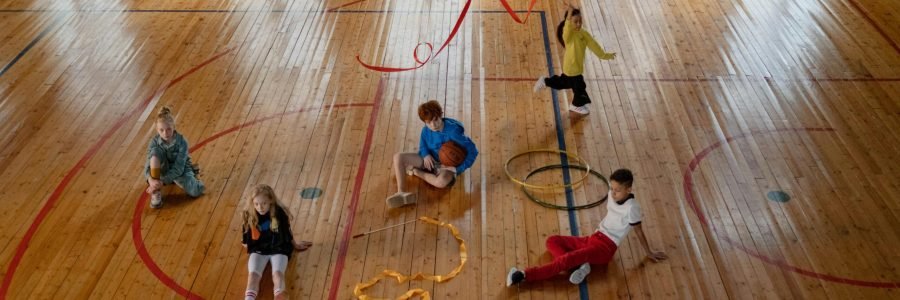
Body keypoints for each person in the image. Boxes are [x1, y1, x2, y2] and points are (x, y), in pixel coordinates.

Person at [506, 169, 667, 286]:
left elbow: (638, 230)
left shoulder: (632, 208)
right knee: (552, 241)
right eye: (611, 188)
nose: (612, 193)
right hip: (593, 238)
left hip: (605, 248)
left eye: (617, 190)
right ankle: (581, 266)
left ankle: (524, 275)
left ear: (629, 189)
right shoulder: (613, 196)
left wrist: (649, 252)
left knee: (566, 259)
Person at [386, 100, 478, 208]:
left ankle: (415, 171)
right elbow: (423, 146)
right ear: (425, 122)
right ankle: (401, 193)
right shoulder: (425, 130)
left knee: (441, 182)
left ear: (440, 115)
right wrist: (426, 155)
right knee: (398, 157)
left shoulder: (453, 131)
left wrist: (457, 169)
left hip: (446, 166)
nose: (433, 125)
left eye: (435, 120)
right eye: (428, 122)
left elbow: (473, 151)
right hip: (430, 161)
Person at [534, 2, 617, 115]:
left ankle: (545, 81)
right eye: (575, 22)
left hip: (577, 68)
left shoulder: (584, 34)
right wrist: (569, 15)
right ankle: (576, 105)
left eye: (580, 21)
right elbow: (567, 27)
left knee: (563, 83)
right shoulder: (568, 35)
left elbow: (594, 45)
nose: (578, 24)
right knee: (579, 86)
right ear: (569, 22)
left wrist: (605, 55)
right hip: (571, 68)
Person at [241, 184, 313, 300]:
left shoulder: (279, 213)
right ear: (252, 203)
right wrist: (246, 242)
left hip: (278, 249)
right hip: (258, 250)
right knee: (253, 276)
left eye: (264, 203)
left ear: (270, 200)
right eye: (256, 204)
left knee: (278, 274)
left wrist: (295, 244)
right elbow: (245, 235)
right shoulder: (249, 214)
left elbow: (287, 231)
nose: (260, 207)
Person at [144, 106, 204, 208]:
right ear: (157, 130)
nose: (165, 133)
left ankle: (192, 175)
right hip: (163, 170)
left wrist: (162, 182)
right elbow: (147, 166)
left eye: (168, 129)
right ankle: (156, 193)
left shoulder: (182, 142)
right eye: (161, 130)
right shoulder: (154, 142)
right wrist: (151, 181)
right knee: (154, 154)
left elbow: (179, 168)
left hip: (180, 170)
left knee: (195, 191)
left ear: (174, 127)